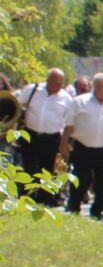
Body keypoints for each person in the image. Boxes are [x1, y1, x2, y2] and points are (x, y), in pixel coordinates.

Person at [60, 73, 103, 220]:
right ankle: (73, 207)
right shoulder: (79, 102)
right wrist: (63, 145)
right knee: (81, 180)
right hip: (82, 147)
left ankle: (98, 210)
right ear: (96, 87)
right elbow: (69, 127)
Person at [13, 68, 72, 207]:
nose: (58, 86)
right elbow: (17, 103)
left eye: (61, 83)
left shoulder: (66, 99)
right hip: (30, 135)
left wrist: (64, 142)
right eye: (56, 82)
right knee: (29, 167)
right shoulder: (32, 90)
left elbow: (68, 121)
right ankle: (26, 197)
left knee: (47, 169)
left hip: (51, 138)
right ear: (48, 80)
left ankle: (45, 199)